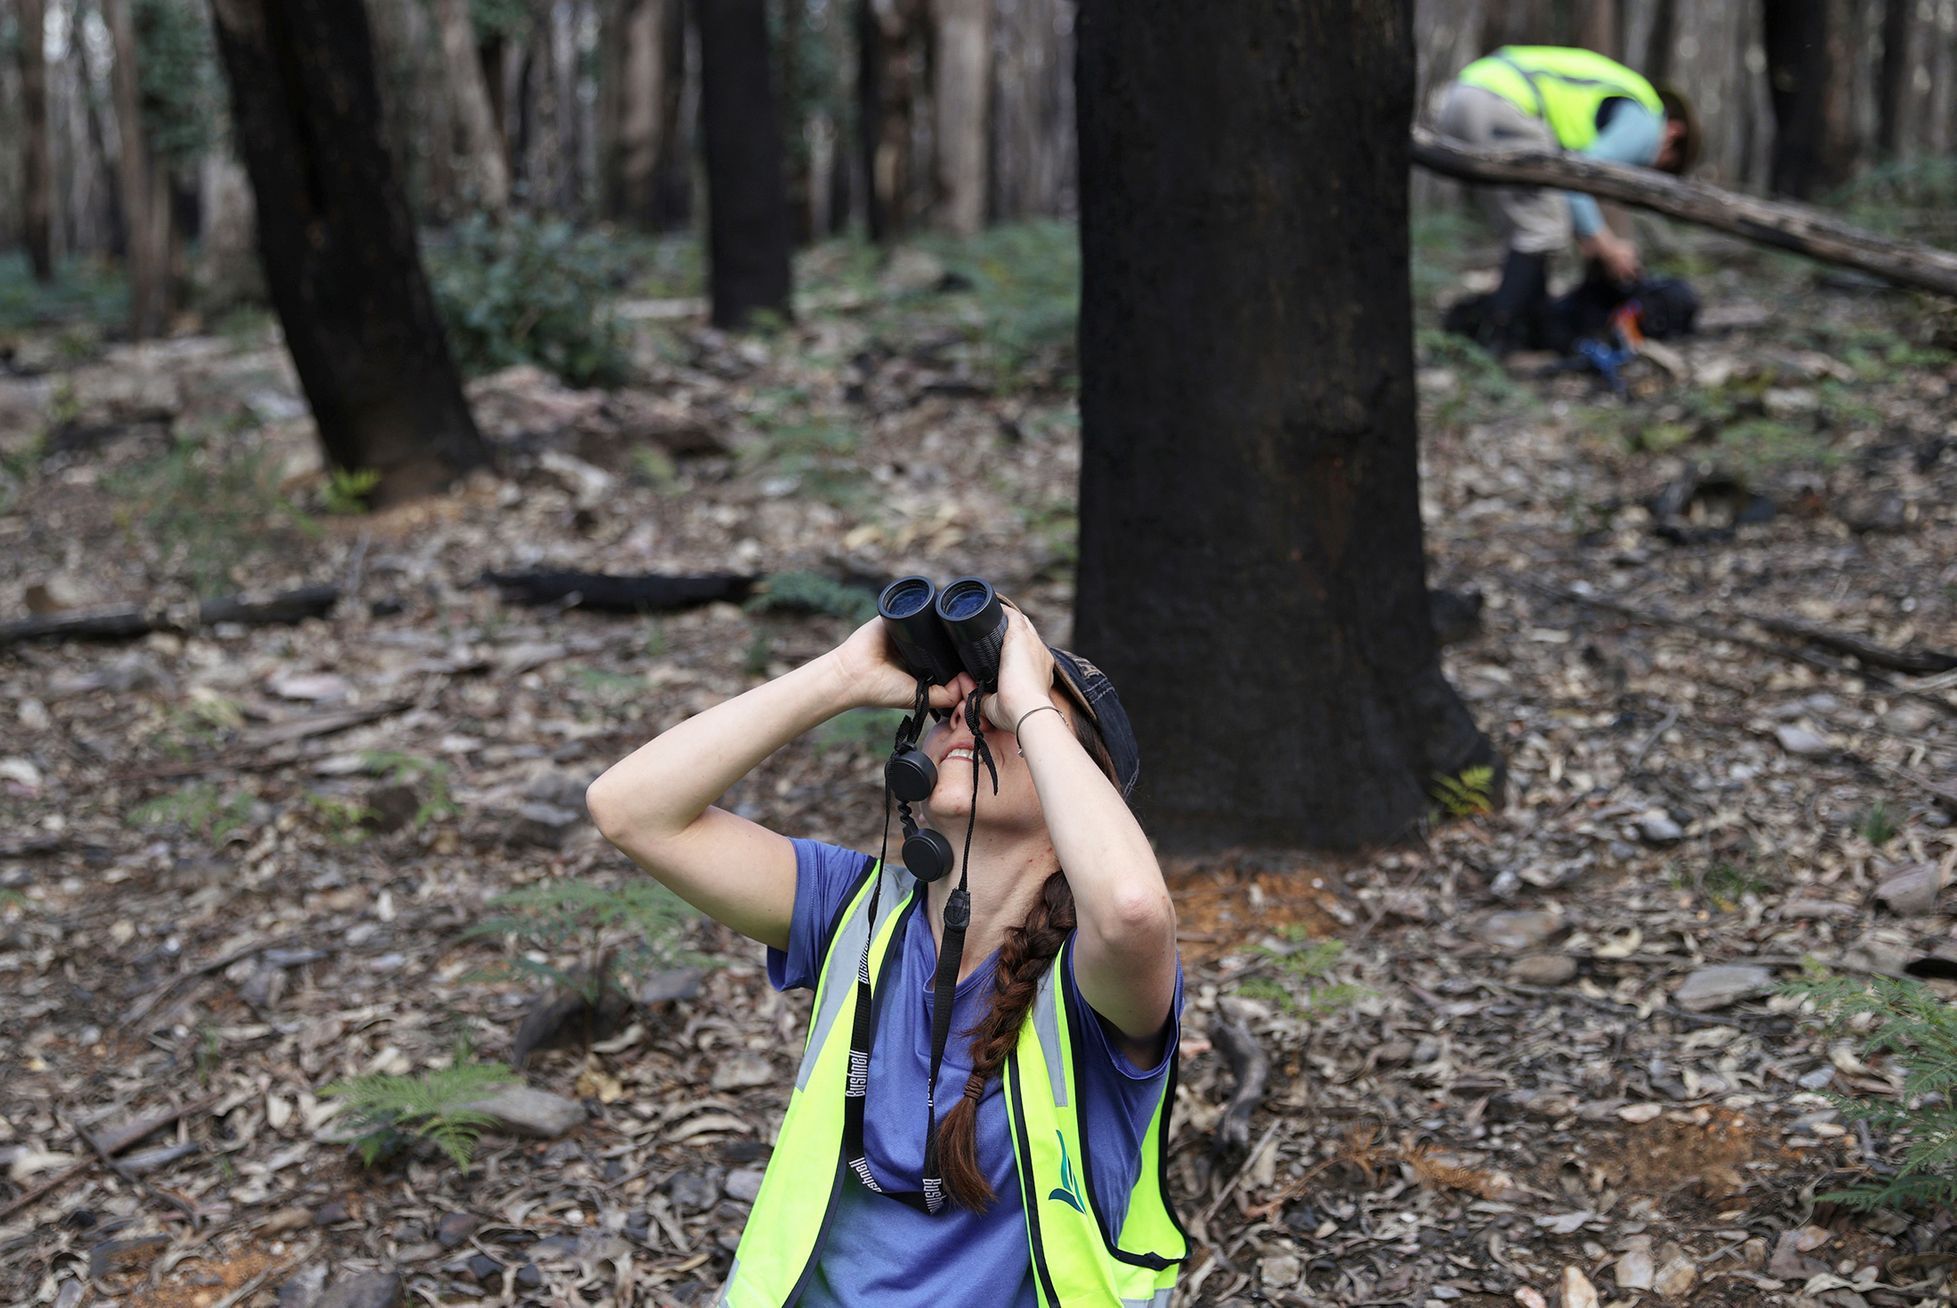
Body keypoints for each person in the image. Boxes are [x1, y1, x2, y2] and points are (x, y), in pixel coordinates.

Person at [586, 600, 1187, 1306]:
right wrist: (840, 676)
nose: (968, 716)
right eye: (951, 714)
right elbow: (629, 809)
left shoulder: (1092, 978)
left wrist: (1027, 699)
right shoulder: (854, 907)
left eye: (1000, 714)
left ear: (1078, 785)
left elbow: (1132, 907)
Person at [1435, 45, 1701, 352]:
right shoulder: (1647, 122)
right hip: (1502, 101)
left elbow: (1571, 180)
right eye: (1663, 164)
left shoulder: (1624, 99)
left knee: (1527, 233)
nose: (1646, 168)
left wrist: (1592, 238)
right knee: (1542, 230)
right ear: (1673, 133)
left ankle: (1525, 332)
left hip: (1464, 97)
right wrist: (1606, 245)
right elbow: (1579, 178)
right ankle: (1496, 340)